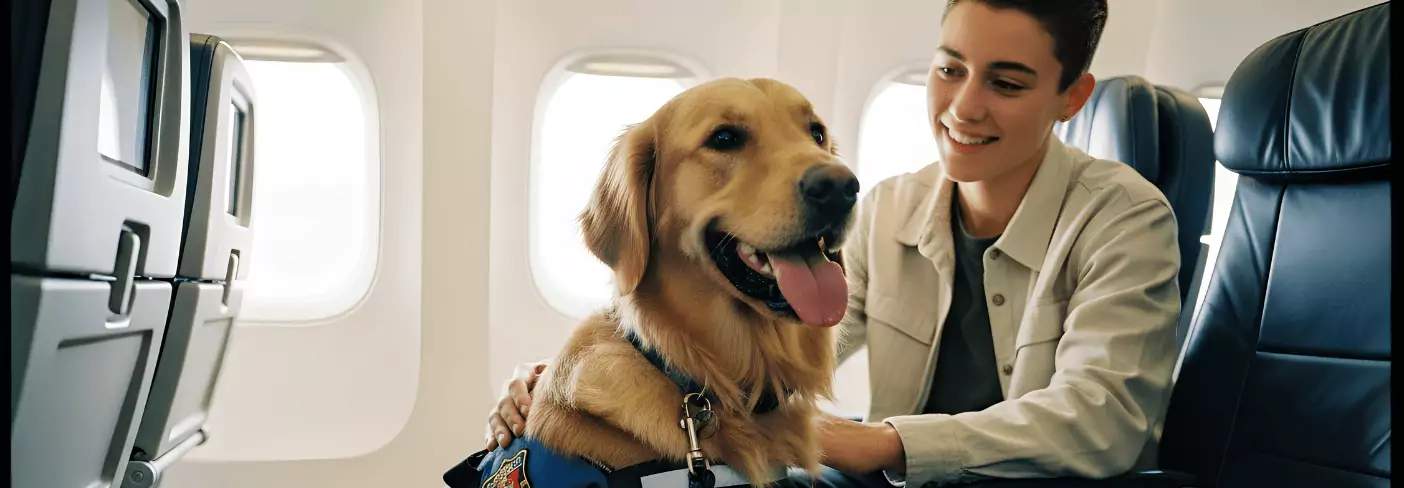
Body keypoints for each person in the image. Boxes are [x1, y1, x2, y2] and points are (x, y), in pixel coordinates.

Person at [485, 0, 1185, 486]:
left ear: (1072, 96)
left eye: (1005, 82)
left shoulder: (1127, 218)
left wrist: (883, 441)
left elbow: (1104, 418)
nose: (965, 106)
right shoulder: (890, 208)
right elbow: (770, 350)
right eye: (949, 69)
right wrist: (579, 374)